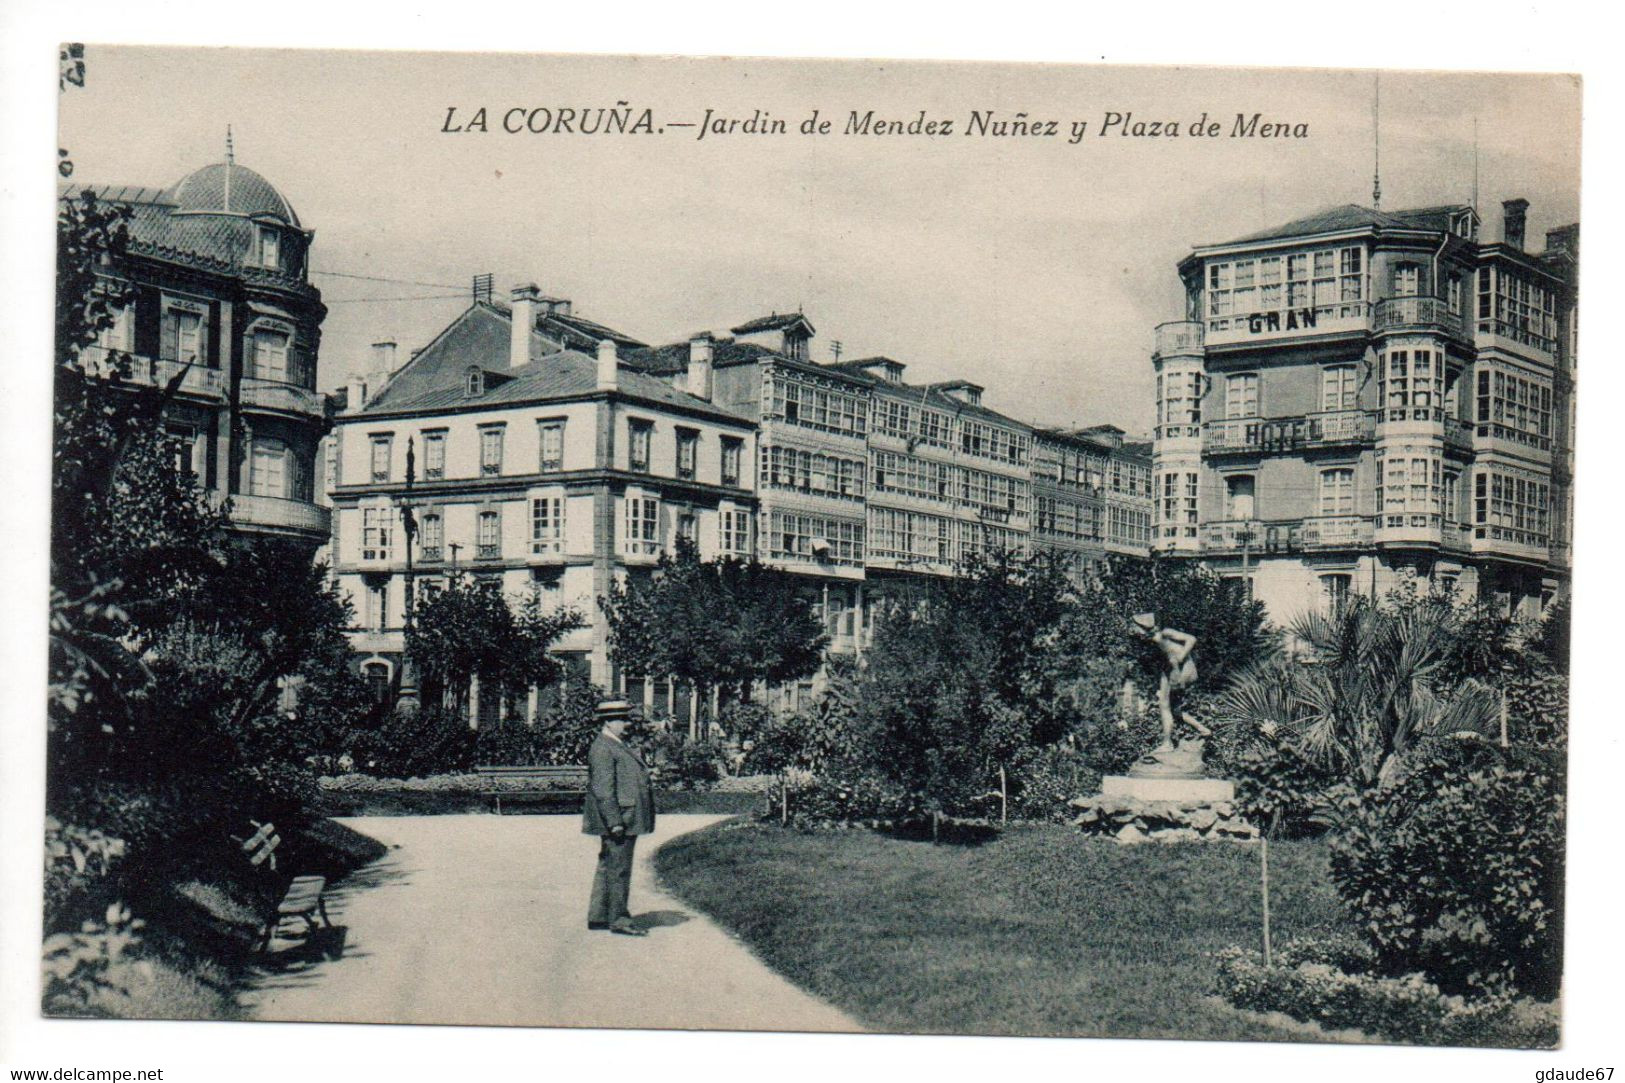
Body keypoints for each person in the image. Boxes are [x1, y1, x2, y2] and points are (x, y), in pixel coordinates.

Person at [583, 699, 655, 936]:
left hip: (623, 814)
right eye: (621, 719)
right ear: (607, 722)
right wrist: (614, 821)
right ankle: (620, 920)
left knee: (609, 864)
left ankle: (600, 915)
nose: (626, 724)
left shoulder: (614, 743)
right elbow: (603, 789)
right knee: (619, 868)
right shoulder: (604, 747)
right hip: (620, 817)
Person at [1128, 612, 1210, 751]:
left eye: (1136, 628)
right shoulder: (1153, 641)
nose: (1134, 632)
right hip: (1172, 670)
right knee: (1174, 710)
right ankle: (1203, 729)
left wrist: (1180, 659)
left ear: (1144, 627)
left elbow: (1191, 639)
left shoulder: (1164, 634)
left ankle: (1167, 744)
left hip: (1180, 670)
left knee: (1164, 706)